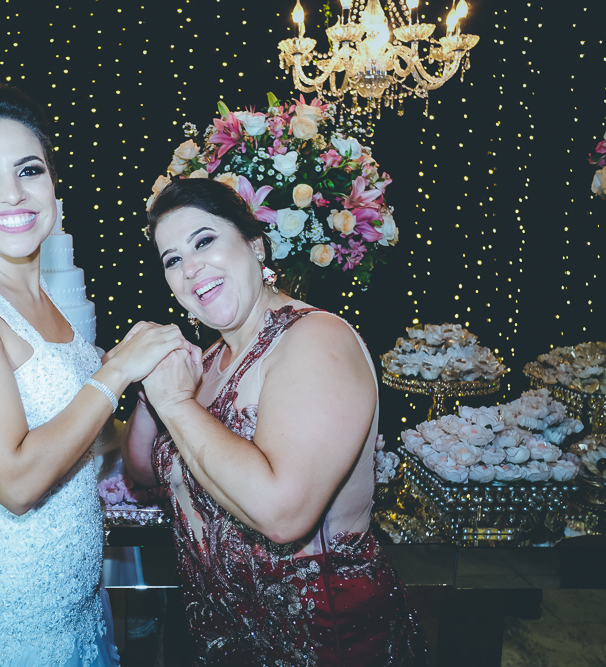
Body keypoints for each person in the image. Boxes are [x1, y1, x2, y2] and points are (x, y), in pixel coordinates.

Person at [0, 82, 191, 666]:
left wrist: (159, 397)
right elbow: (16, 482)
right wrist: (114, 374)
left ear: (53, 186)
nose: (12, 193)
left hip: (74, 610)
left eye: (29, 170)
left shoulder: (49, 302)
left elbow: (77, 439)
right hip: (7, 627)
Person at [123, 178, 425, 666]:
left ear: (255, 245)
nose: (190, 267)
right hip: (223, 645)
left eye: (204, 241)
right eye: (172, 260)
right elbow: (144, 471)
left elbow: (284, 514)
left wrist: (176, 405)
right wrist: (149, 382)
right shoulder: (208, 359)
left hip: (324, 645)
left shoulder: (315, 339)